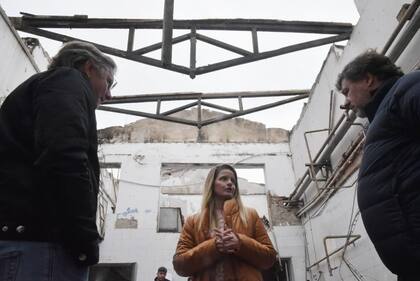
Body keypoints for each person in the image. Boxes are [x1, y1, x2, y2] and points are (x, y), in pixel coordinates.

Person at [0, 41, 117, 281]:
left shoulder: (44, 89)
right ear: (88, 68)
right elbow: (64, 157)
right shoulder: (67, 81)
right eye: (108, 82)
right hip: (43, 247)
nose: (109, 95)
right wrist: (84, 238)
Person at [336, 50, 420, 280]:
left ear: (368, 80)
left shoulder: (407, 88)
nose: (345, 103)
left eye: (347, 91)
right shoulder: (383, 116)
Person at [173, 164, 277, 281]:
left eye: (233, 180)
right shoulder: (193, 221)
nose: (230, 183)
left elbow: (269, 258)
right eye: (223, 179)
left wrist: (240, 243)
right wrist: (214, 246)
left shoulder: (250, 215)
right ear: (211, 184)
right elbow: (180, 265)